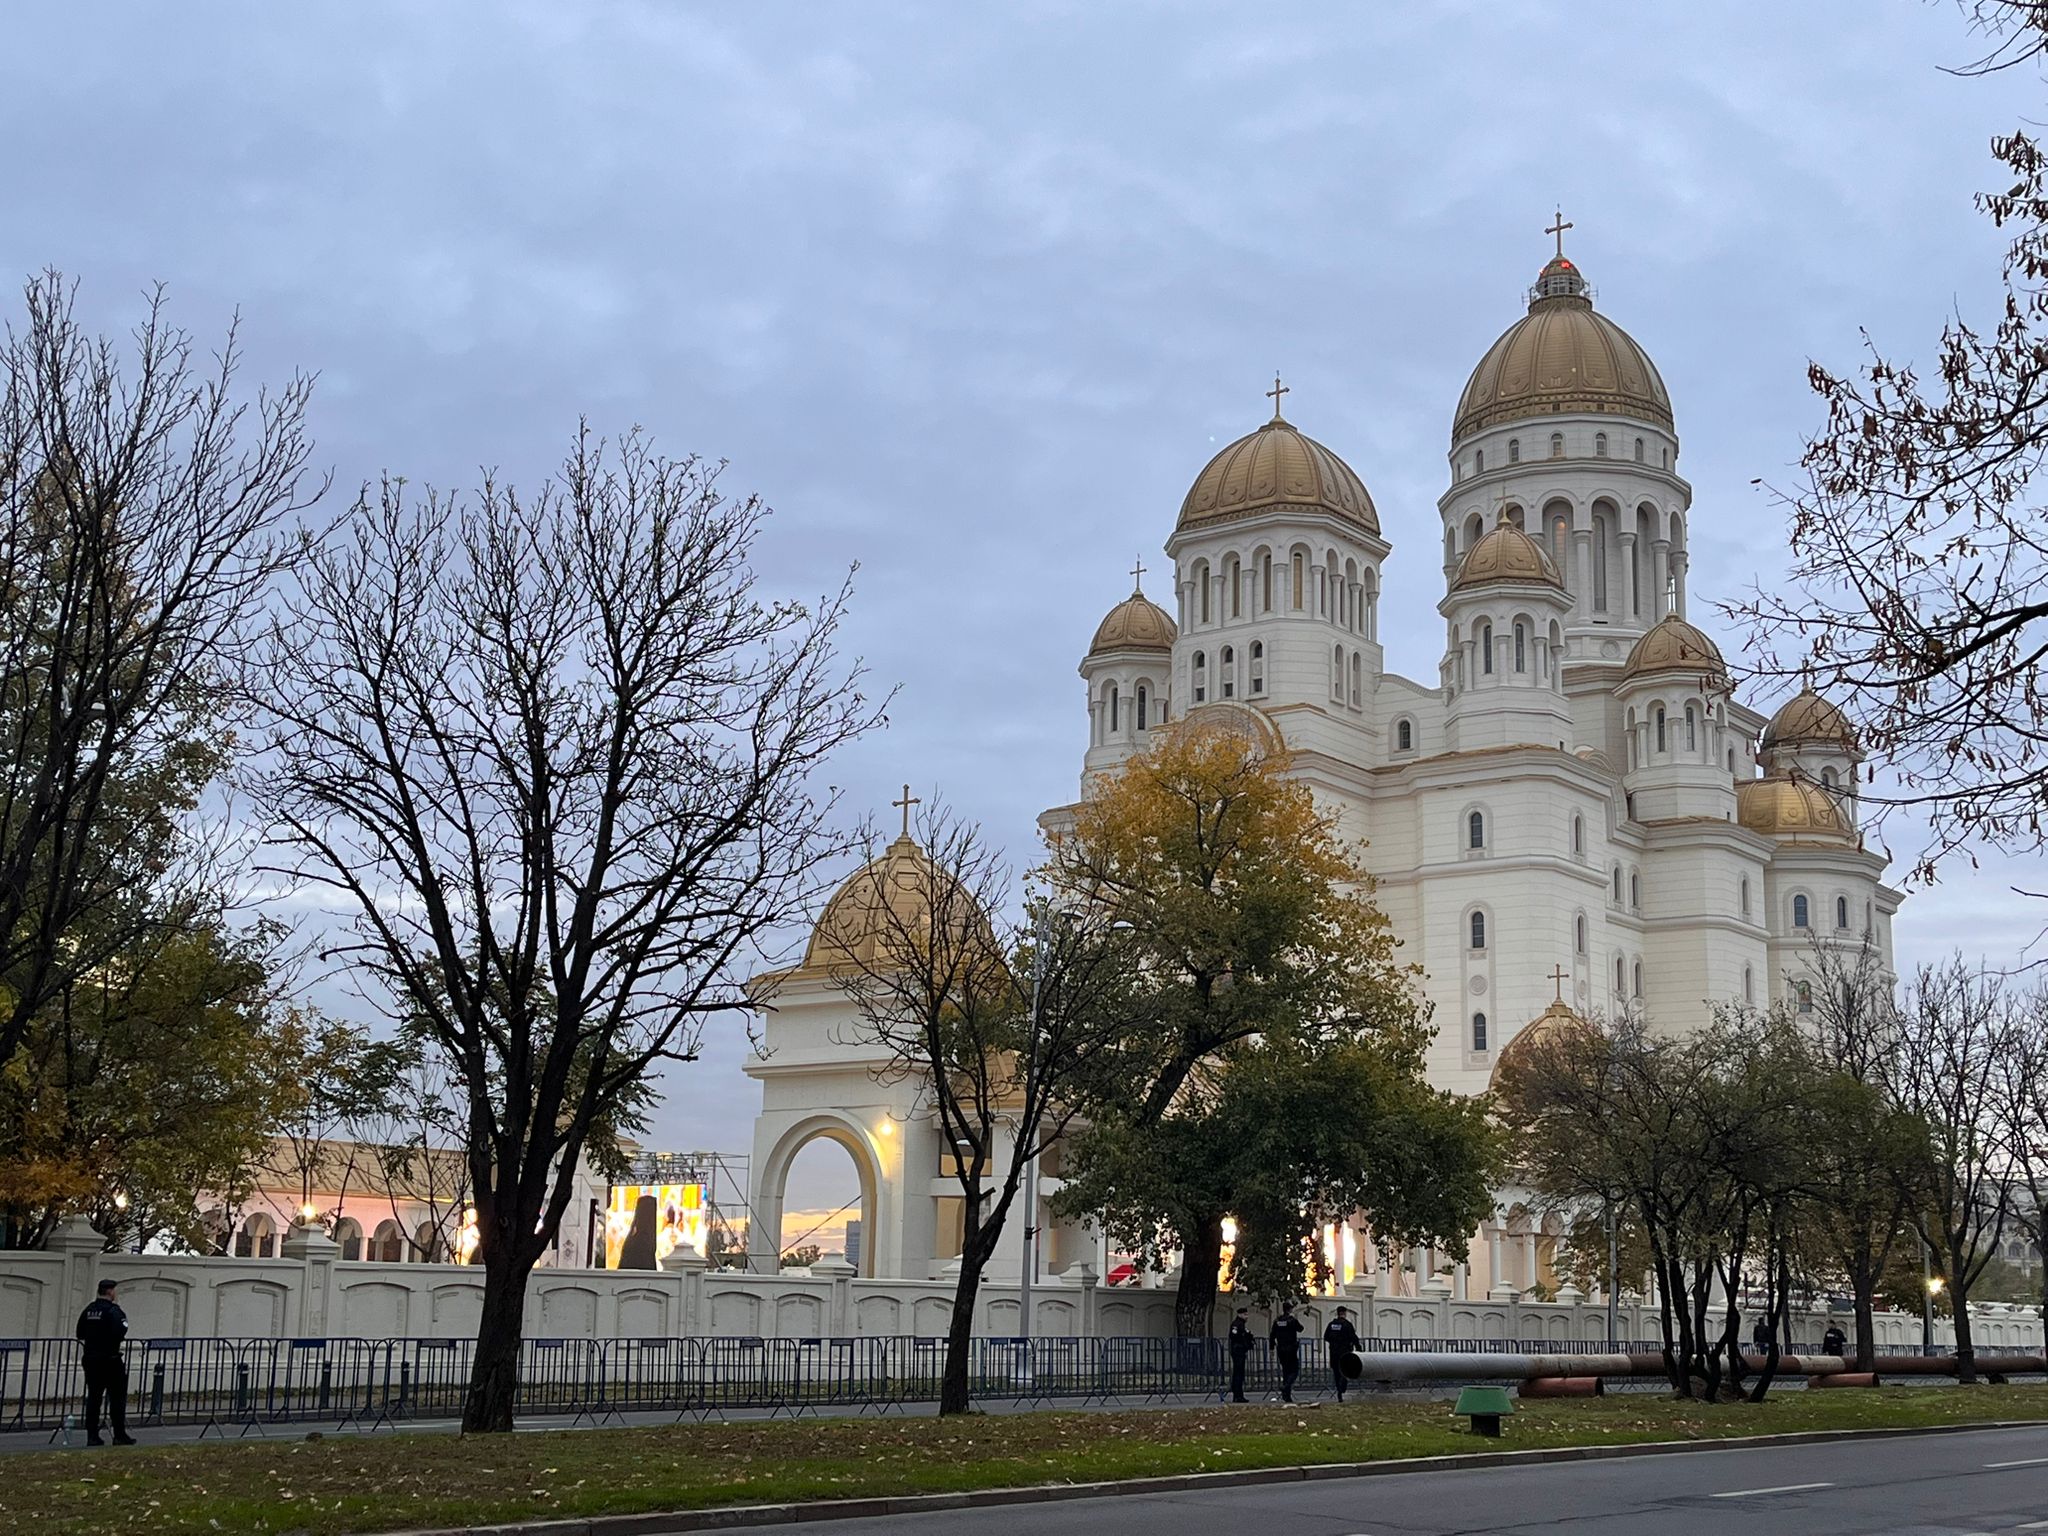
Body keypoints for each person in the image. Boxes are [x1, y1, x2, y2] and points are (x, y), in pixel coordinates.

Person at [76, 1278, 134, 1447]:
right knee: (117, 1398)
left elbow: (80, 1333)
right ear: (110, 1292)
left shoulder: (89, 1310)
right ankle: (119, 1434)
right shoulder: (113, 1311)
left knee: (94, 1398)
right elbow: (121, 1330)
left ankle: (92, 1435)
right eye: (114, 1290)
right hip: (110, 1359)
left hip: (91, 1359)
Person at [1324, 1305, 1361, 1402]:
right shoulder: (1347, 1324)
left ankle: (1339, 1391)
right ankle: (1342, 1389)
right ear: (1344, 1313)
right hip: (1344, 1352)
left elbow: (1326, 1337)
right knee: (1344, 1371)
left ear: (1337, 1313)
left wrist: (1334, 1343)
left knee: (1336, 1372)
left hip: (1334, 1352)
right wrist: (1358, 1348)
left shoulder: (1331, 1324)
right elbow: (1353, 1337)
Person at [1269, 1301, 1304, 1403]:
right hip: (1291, 1349)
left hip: (1281, 1349)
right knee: (1294, 1371)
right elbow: (1301, 1329)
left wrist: (1271, 1348)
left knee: (1285, 1371)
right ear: (1290, 1309)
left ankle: (1286, 1396)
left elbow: (1272, 1335)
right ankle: (1286, 1386)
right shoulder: (1292, 1320)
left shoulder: (1277, 1321)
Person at [1226, 1307, 1254, 1403]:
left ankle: (1239, 1395)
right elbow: (1234, 1336)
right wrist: (1244, 1341)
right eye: (1245, 1314)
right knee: (1238, 1373)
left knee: (1240, 1373)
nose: (1247, 1316)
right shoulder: (1236, 1324)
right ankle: (1237, 1395)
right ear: (1240, 1314)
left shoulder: (1241, 1324)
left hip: (1241, 1350)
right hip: (1238, 1350)